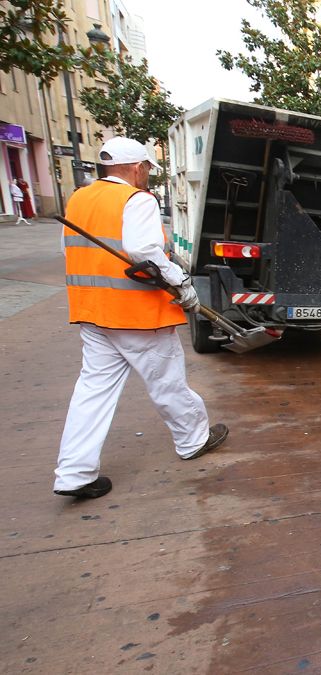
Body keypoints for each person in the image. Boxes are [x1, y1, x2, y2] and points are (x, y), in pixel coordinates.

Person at [54, 137, 228, 500]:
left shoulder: (79, 199)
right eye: (147, 168)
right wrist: (181, 283)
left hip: (92, 313)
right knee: (167, 383)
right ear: (136, 167)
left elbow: (71, 250)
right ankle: (193, 440)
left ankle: (73, 473)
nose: (147, 174)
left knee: (92, 392)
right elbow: (143, 250)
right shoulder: (137, 199)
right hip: (136, 315)